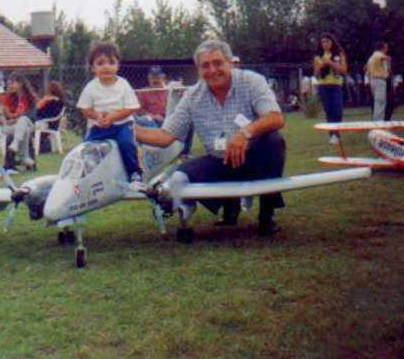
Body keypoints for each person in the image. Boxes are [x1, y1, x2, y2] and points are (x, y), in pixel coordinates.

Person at [135, 39, 285, 236]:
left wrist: (245, 134)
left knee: (274, 141)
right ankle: (229, 205)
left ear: (230, 63)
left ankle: (267, 215)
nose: (212, 70)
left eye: (218, 63)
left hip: (254, 158)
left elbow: (275, 118)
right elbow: (165, 136)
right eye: (205, 66)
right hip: (219, 160)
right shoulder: (192, 96)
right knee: (181, 174)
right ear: (198, 69)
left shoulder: (252, 81)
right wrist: (128, 129)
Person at [77, 41, 143, 185]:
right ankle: (88, 177)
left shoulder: (123, 84)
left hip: (122, 125)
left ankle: (134, 173)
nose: (106, 66)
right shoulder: (91, 87)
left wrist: (113, 117)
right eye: (100, 63)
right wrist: (97, 116)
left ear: (118, 66)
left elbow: (132, 107)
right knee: (86, 149)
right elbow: (85, 109)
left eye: (111, 62)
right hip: (99, 127)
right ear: (93, 68)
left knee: (126, 144)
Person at [313, 33, 348, 144]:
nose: (325, 44)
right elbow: (316, 73)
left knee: (337, 109)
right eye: (323, 42)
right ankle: (332, 135)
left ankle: (336, 133)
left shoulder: (339, 54)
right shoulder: (318, 56)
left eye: (327, 41)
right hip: (323, 85)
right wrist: (323, 64)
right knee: (328, 110)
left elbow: (344, 70)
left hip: (336, 85)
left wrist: (331, 63)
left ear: (332, 42)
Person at [1, 73, 38, 170]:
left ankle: (16, 144)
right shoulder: (10, 97)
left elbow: (31, 115)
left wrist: (17, 119)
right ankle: (25, 159)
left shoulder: (30, 97)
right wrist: (11, 119)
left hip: (29, 124)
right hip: (15, 127)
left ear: (21, 84)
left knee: (23, 121)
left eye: (12, 83)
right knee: (23, 130)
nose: (10, 86)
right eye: (9, 84)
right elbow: (7, 116)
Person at [366, 41, 391, 120]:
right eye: (386, 48)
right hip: (380, 80)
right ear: (383, 48)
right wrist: (388, 59)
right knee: (380, 102)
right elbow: (383, 57)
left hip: (373, 79)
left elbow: (366, 69)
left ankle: (377, 120)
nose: (387, 50)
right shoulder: (378, 54)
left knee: (377, 101)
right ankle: (378, 121)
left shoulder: (371, 58)